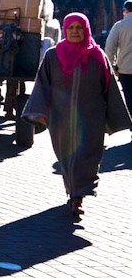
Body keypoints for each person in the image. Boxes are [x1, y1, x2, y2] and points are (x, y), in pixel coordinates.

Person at [23, 13, 131, 217]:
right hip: (60, 117)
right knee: (67, 157)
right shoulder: (53, 56)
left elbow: (110, 89)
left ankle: (77, 196)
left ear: (86, 30)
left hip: (92, 117)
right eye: (70, 27)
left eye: (79, 27)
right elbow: (42, 85)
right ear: (65, 30)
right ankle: (74, 191)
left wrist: (114, 117)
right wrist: (40, 112)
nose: (74, 31)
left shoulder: (98, 56)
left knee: (88, 156)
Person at [105, 0, 132, 119]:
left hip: (125, 71)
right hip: (125, 70)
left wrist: (112, 66)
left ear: (125, 10)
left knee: (130, 100)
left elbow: (110, 48)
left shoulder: (119, 26)